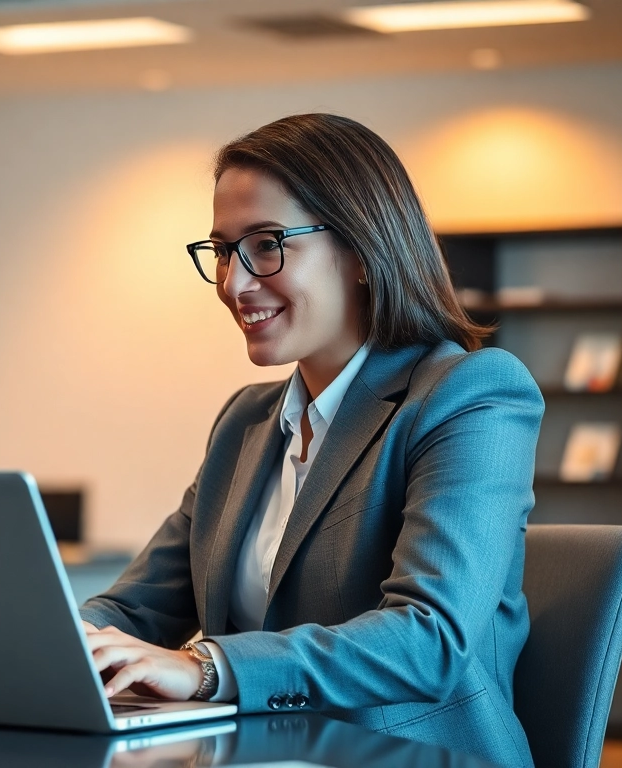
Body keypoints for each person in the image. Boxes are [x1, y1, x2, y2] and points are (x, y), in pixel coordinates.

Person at [78, 113, 543, 768]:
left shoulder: (469, 395)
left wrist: (206, 668)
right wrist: (54, 644)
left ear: (361, 251)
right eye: (222, 250)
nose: (234, 283)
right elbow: (138, 606)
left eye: (266, 244)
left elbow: (430, 639)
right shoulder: (246, 422)